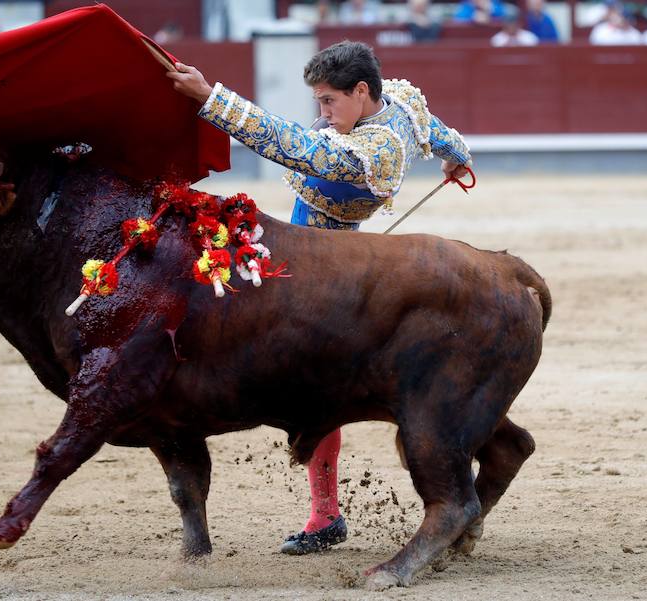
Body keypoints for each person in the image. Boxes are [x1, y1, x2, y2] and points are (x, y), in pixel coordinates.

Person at [166, 40, 471, 555]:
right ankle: (324, 512)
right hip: (315, 237)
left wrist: (211, 98)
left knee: (315, 384)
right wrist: (457, 156)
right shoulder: (393, 99)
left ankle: (325, 515)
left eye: (329, 101)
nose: (322, 114)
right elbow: (433, 128)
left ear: (359, 92)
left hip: (327, 258)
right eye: (319, 101)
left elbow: (290, 144)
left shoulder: (373, 152)